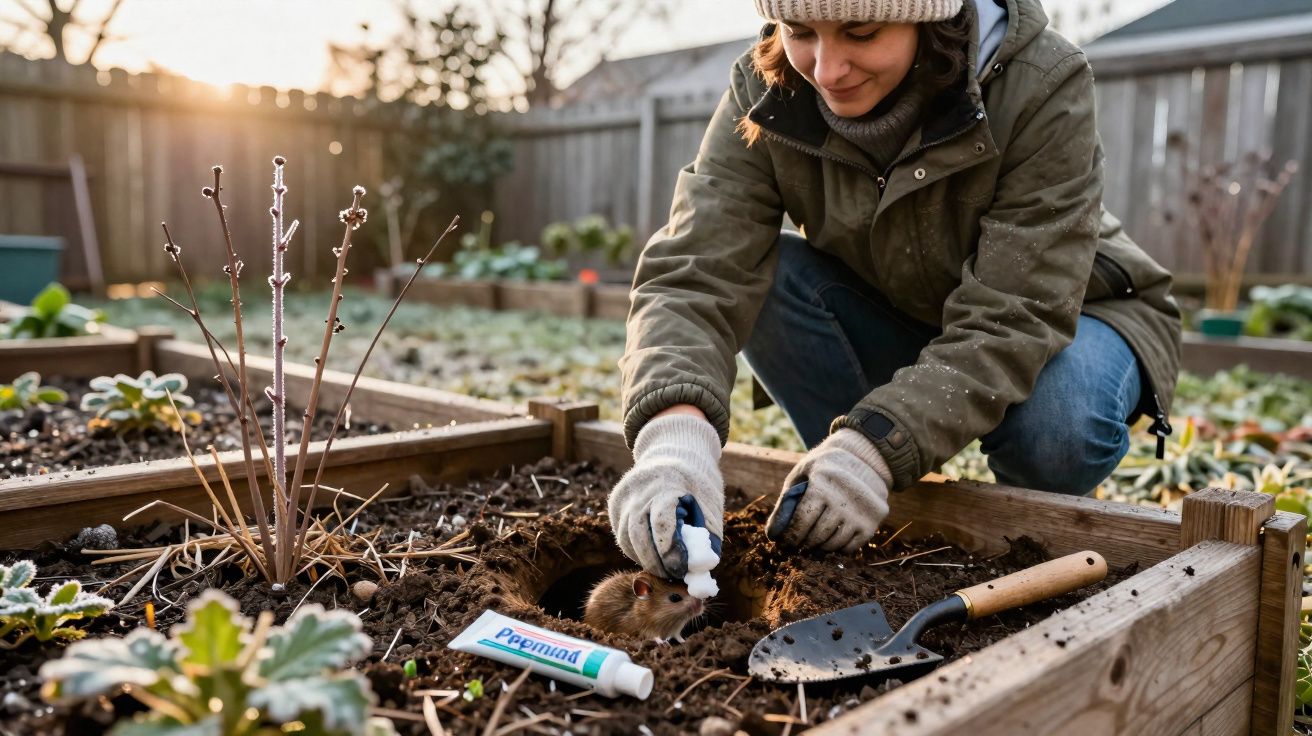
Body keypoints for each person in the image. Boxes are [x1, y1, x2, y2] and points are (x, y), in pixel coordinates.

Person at [607, 0, 1182, 581]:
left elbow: (1016, 315)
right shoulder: (766, 85)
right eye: (801, 31)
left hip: (1080, 311)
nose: (827, 70)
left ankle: (973, 500)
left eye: (861, 32)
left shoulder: (1039, 83)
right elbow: (697, 269)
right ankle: (852, 479)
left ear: (927, 20)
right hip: (909, 310)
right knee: (770, 272)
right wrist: (674, 438)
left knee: (1056, 428)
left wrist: (878, 445)